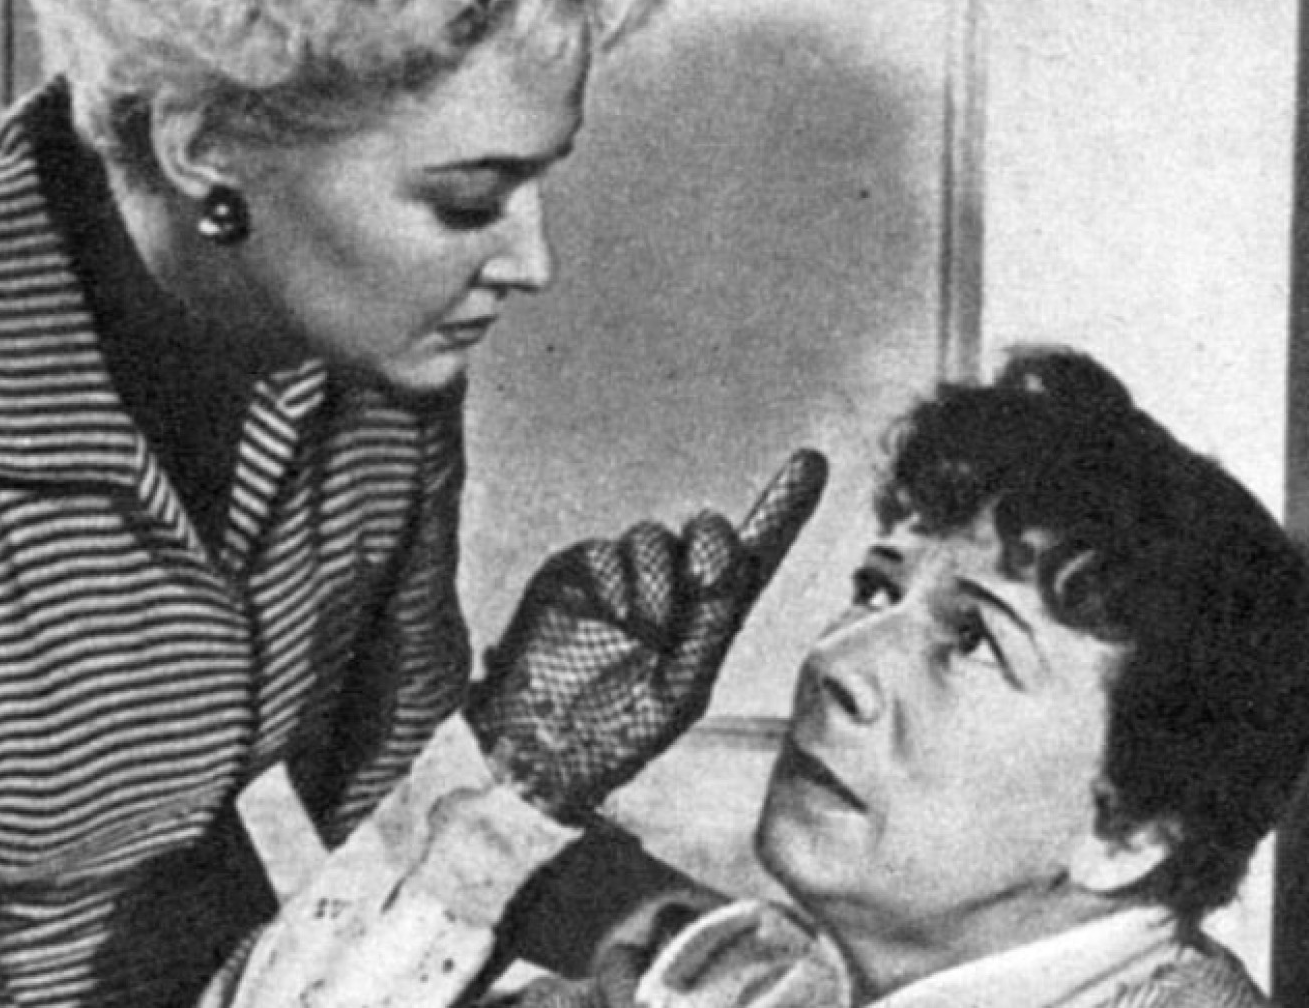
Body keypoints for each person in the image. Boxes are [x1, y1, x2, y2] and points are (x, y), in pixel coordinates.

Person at [0, 0, 828, 1005]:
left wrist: (595, 837)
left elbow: (383, 810)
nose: (531, 261)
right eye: (468, 200)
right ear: (206, 147)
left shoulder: (361, 344)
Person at [506, 347, 1309, 1007]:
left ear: (1130, 834)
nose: (837, 660)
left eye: (975, 638)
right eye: (875, 590)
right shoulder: (747, 981)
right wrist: (521, 779)